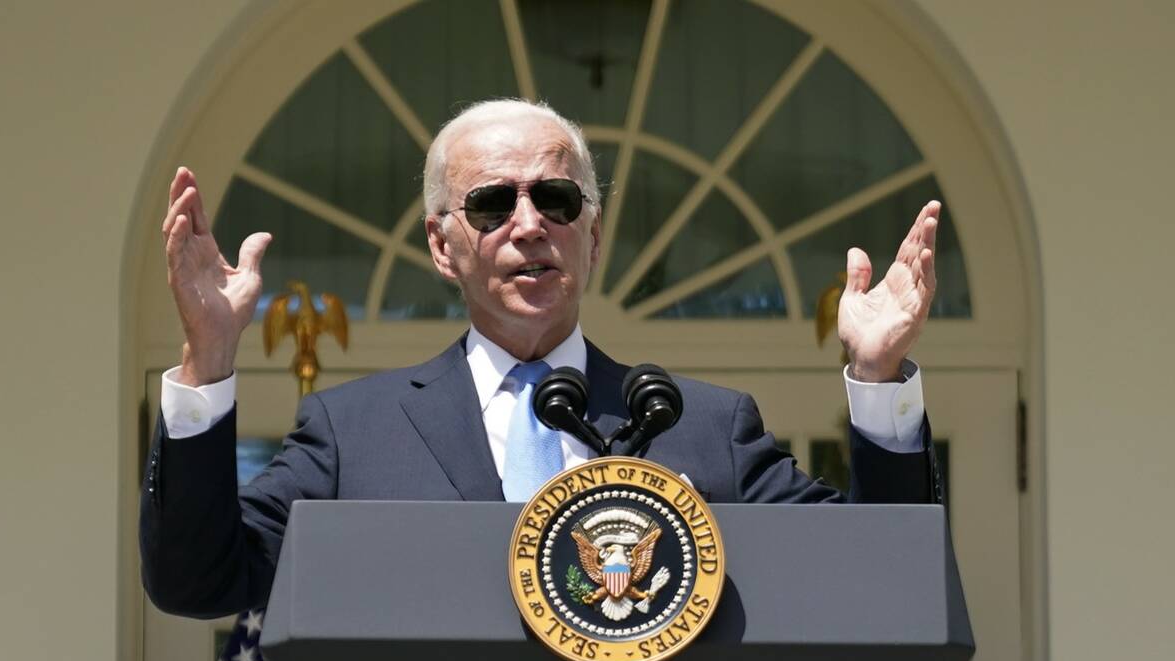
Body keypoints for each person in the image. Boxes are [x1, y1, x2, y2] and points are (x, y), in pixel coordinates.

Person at [141, 99, 942, 619]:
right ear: (441, 244)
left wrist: (875, 382)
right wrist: (208, 359)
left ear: (592, 236)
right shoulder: (356, 432)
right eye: (493, 203)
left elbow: (881, 584)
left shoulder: (701, 427)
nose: (529, 226)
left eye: (556, 200)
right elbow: (199, 583)